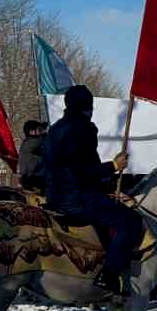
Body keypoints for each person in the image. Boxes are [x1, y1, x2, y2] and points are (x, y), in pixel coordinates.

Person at [44, 85, 136, 296]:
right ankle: (110, 275)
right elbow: (81, 171)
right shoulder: (81, 129)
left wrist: (105, 180)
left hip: (55, 194)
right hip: (75, 196)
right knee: (130, 221)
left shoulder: (56, 128)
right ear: (88, 107)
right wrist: (113, 166)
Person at [18, 120, 47, 193]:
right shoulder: (29, 143)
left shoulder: (34, 144)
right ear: (32, 132)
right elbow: (38, 143)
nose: (43, 131)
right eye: (40, 130)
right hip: (35, 179)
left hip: (36, 179)